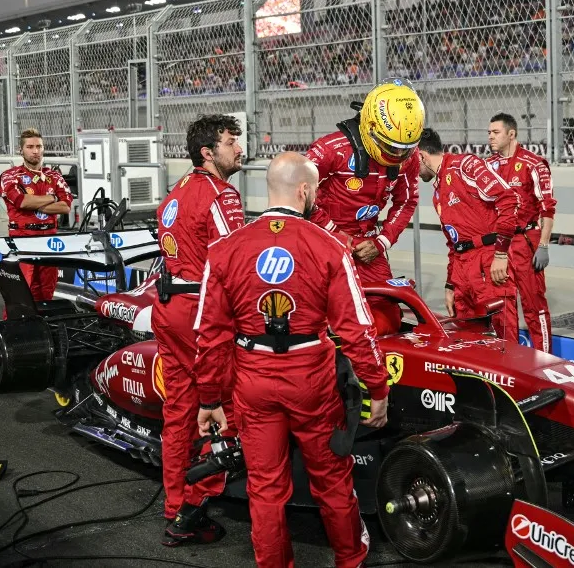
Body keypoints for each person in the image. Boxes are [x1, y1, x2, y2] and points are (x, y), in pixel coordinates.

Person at [195, 152, 389, 568]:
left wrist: (209, 399)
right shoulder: (330, 247)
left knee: (264, 488)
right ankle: (351, 559)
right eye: (315, 188)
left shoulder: (224, 250)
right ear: (305, 190)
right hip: (312, 381)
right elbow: (357, 329)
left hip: (253, 379)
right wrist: (378, 388)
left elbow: (210, 334)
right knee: (333, 482)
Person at [154, 114, 246, 546]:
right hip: (200, 315)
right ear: (208, 152)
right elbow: (238, 263)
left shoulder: (175, 193)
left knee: (179, 412)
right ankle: (191, 512)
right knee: (223, 409)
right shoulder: (221, 195)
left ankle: (175, 507)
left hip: (169, 307)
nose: (239, 148)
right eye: (231, 142)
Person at [306, 78, 425, 284]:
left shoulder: (409, 156)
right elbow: (297, 191)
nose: (399, 154)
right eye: (392, 146)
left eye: (405, 148)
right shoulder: (331, 149)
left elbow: (406, 201)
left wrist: (381, 242)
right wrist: (335, 234)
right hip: (322, 240)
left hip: (367, 245)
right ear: (371, 126)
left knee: (385, 308)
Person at [417, 128, 521, 344]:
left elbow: (509, 200)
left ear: (421, 156)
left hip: (488, 262)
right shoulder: (437, 193)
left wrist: (501, 254)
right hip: (461, 273)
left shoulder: (465, 165)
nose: (411, 172)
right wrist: (450, 284)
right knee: (467, 343)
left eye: (410, 164)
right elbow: (453, 243)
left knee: (503, 341)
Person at [487, 112, 557, 351]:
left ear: (511, 133)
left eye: (495, 133)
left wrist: (544, 245)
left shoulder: (534, 164)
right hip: (499, 245)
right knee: (503, 307)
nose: (491, 138)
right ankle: (510, 362)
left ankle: (546, 360)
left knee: (534, 305)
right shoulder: (487, 166)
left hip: (527, 241)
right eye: (489, 133)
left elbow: (548, 208)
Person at [0, 129, 73, 304]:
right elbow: (22, 201)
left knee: (46, 294)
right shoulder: (10, 176)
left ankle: (41, 329)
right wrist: (53, 198)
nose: (35, 151)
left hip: (49, 241)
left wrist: (36, 204)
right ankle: (15, 330)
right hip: (22, 240)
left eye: (39, 146)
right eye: (30, 147)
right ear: (21, 150)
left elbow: (66, 206)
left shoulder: (54, 176)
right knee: (19, 295)